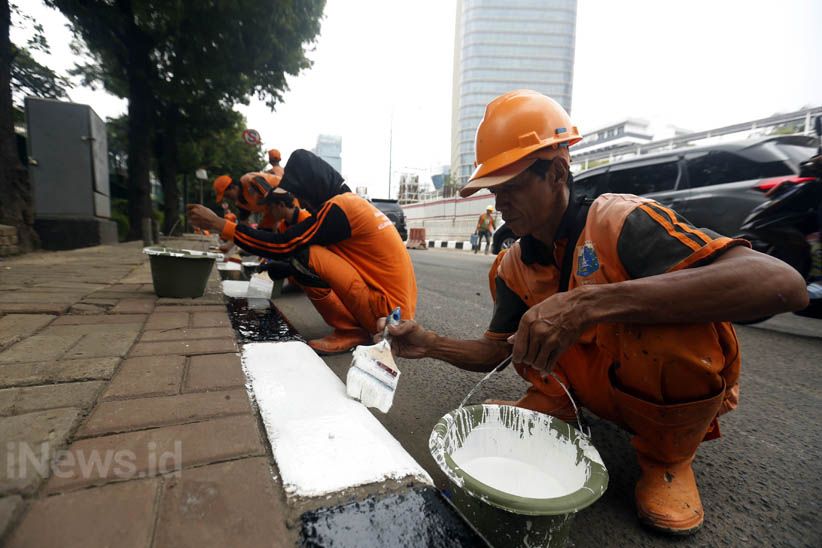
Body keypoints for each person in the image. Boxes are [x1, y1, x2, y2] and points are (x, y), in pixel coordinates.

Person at [378, 90, 808, 535]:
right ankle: (554, 401)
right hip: (588, 383)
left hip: (661, 387)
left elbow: (783, 284)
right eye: (494, 190)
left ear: (558, 172)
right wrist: (430, 344)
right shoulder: (512, 267)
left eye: (512, 187)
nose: (500, 203)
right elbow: (496, 353)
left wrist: (588, 304)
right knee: (534, 337)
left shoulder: (620, 223)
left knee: (663, 324)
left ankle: (667, 458)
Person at [188, 149, 418, 355]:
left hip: (386, 318)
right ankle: (357, 325)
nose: (304, 204)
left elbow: (285, 244)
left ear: (313, 187)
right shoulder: (353, 204)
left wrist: (220, 224)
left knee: (303, 254)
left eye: (303, 196)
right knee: (301, 256)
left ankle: (351, 331)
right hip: (397, 313)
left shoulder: (340, 208)